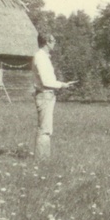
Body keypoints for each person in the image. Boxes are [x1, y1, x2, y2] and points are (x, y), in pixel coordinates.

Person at [32, 32, 75, 160]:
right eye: (53, 40)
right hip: (44, 95)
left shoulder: (43, 57)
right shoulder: (40, 57)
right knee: (44, 129)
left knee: (46, 128)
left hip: (47, 95)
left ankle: (44, 159)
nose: (55, 43)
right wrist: (62, 85)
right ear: (46, 42)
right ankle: (41, 160)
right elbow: (46, 81)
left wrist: (63, 84)